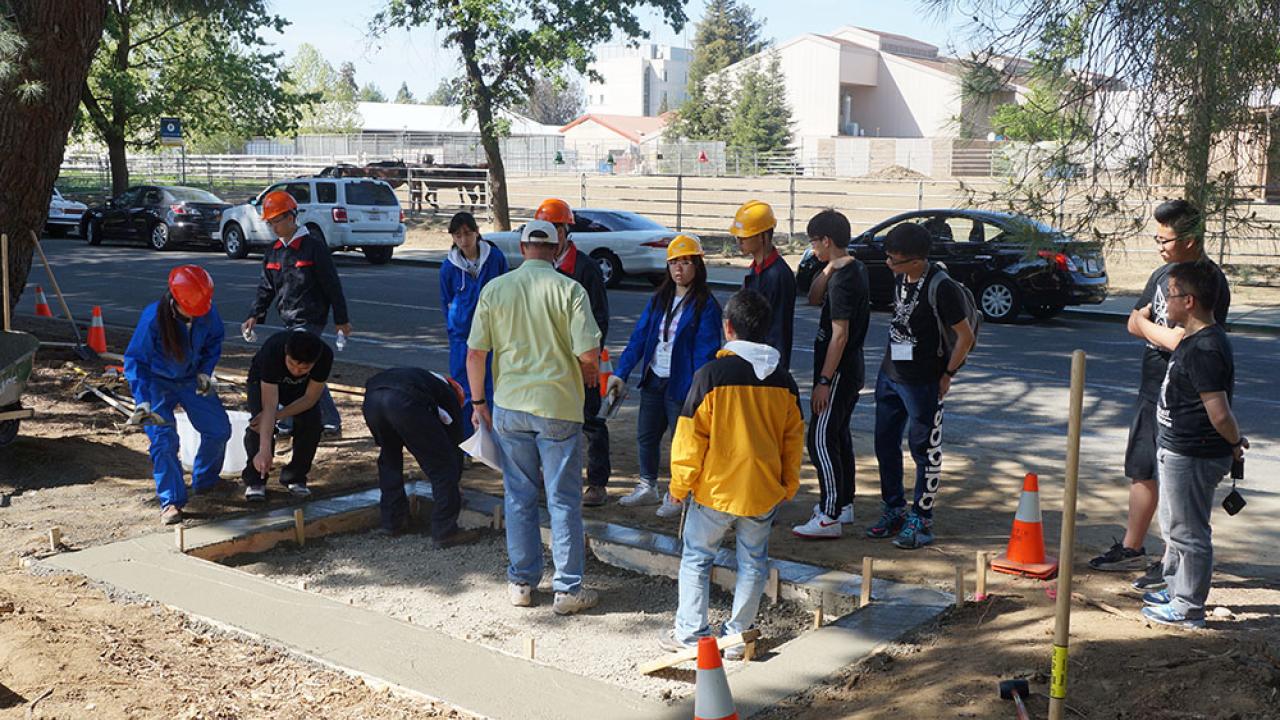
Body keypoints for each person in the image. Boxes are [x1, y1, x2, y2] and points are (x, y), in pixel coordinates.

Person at [1090, 200, 1231, 592]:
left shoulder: (1207, 281)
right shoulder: (1161, 273)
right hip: (1151, 388)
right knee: (1142, 468)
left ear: (1189, 240)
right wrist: (1151, 329)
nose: (1159, 245)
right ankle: (1132, 547)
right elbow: (1134, 321)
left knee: (1175, 481)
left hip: (1184, 397)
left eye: (1164, 239)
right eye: (1156, 237)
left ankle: (1172, 562)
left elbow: (1178, 338)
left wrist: (1150, 329)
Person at [466, 219, 602, 616]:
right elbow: (588, 356)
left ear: (522, 248)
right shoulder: (571, 290)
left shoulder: (496, 289)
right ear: (557, 249)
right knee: (562, 500)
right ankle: (567, 589)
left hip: (510, 404)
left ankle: (521, 582)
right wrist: (588, 374)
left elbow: (475, 353)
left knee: (519, 496)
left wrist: (478, 403)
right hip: (558, 405)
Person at [660, 290, 803, 658]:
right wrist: (788, 484)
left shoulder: (710, 375)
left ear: (728, 328)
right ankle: (738, 638)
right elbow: (792, 440)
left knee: (696, 557)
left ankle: (691, 635)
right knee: (753, 563)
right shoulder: (784, 382)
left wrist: (679, 486)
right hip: (763, 490)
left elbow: (690, 438)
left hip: (715, 490)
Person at [1139, 261, 1246, 629]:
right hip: (1177, 448)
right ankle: (1174, 589)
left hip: (1193, 453)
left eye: (1169, 295)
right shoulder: (1192, 339)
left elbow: (1219, 412)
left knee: (1189, 532)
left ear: (1188, 300)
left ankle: (1188, 607)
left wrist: (1234, 442)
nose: (1164, 301)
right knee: (1173, 527)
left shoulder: (1205, 348)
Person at [866, 223, 974, 549]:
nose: (888, 264)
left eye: (894, 260)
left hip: (923, 382)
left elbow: (965, 337)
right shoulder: (901, 277)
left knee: (923, 450)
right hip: (890, 375)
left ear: (916, 261)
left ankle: (922, 518)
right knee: (885, 444)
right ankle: (894, 508)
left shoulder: (942, 288)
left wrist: (948, 374)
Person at [609, 235, 723, 516]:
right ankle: (648, 486)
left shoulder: (705, 304)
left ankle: (679, 494)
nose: (678, 269)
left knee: (682, 442)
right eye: (674, 262)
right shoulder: (660, 299)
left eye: (685, 262)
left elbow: (706, 351)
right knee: (646, 435)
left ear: (698, 265)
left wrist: (697, 389)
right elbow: (639, 338)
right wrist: (621, 372)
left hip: (682, 384)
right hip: (654, 378)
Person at [124, 265, 230, 525]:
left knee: (219, 430)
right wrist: (143, 400)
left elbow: (214, 340)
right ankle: (170, 500)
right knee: (163, 440)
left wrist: (206, 371)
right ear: (176, 300)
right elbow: (136, 360)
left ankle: (205, 482)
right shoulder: (153, 319)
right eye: (190, 311)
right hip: (156, 383)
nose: (196, 315)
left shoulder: (207, 310)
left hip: (192, 378)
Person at [242, 190, 351, 437]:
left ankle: (315, 419)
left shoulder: (314, 248)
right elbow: (267, 286)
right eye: (270, 223)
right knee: (302, 366)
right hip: (289, 318)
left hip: (311, 318)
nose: (273, 227)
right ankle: (315, 419)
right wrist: (255, 314)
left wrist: (341, 320)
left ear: (292, 217)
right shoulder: (273, 251)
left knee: (299, 364)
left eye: (277, 221)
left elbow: (332, 285)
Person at [792, 210, 871, 539]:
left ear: (826, 240)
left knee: (820, 438)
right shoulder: (850, 268)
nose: (811, 248)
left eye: (814, 242)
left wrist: (824, 381)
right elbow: (812, 296)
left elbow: (840, 335)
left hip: (838, 370)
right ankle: (844, 504)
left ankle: (829, 513)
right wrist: (828, 266)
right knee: (837, 435)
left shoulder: (845, 280)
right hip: (846, 369)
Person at [536, 198, 612, 506]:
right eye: (546, 231)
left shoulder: (585, 269)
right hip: (550, 362)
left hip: (582, 361)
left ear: (566, 230)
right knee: (550, 420)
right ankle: (551, 476)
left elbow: (600, 318)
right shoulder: (539, 267)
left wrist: (589, 360)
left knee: (591, 420)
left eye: (556, 229)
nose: (551, 237)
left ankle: (596, 483)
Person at [362, 367, 479, 547]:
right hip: (404, 401)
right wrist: (453, 485)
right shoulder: (449, 395)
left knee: (389, 457)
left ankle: (393, 522)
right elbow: (453, 447)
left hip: (372, 400)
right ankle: (445, 531)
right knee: (443, 467)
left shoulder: (425, 379)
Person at [241, 329, 332, 502]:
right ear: (286, 353)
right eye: (291, 364)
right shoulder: (273, 350)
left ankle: (295, 477)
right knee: (259, 423)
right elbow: (269, 406)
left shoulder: (324, 356)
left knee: (311, 424)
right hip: (262, 380)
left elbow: (310, 398)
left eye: (303, 367)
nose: (296, 370)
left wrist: (280, 414)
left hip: (301, 390)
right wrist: (265, 450)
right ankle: (256, 479)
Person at [439, 211, 508, 435]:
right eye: (457, 235)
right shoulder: (449, 267)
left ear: (477, 233)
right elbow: (446, 300)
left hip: (492, 334)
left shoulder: (494, 258)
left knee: (492, 387)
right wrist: (454, 326)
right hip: (462, 337)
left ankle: (495, 439)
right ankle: (470, 441)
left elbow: (507, 291)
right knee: (464, 389)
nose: (463, 240)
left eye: (467, 233)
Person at [731, 200, 795, 371]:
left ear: (762, 236)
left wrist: (774, 373)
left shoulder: (778, 275)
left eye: (745, 236)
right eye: (738, 236)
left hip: (765, 369)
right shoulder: (756, 270)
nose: (739, 241)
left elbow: (778, 331)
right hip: (750, 362)